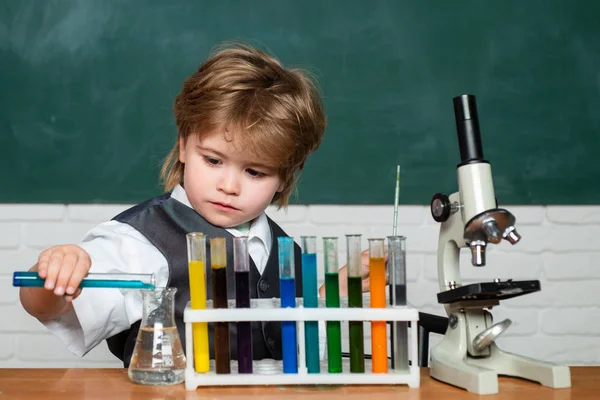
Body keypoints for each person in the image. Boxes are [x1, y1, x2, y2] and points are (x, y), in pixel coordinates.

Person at [19, 42, 372, 367]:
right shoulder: (141, 240)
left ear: (284, 176)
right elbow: (50, 308)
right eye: (214, 160)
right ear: (184, 145)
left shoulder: (284, 251)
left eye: (254, 171)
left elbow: (299, 351)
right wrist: (50, 276)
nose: (229, 186)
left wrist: (327, 296)